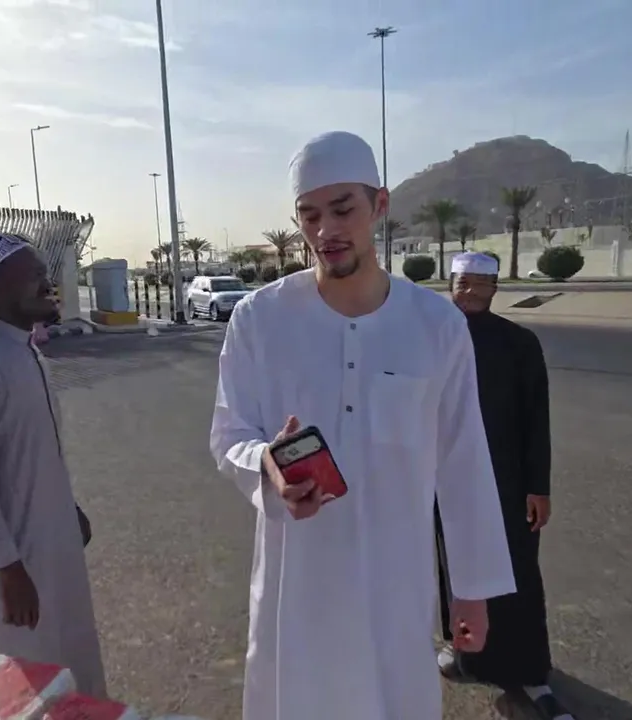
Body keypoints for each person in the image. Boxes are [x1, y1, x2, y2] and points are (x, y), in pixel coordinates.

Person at [209, 131, 516, 720]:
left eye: (343, 208)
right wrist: (266, 466)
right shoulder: (259, 320)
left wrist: (472, 589)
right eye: (310, 215)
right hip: (297, 585)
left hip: (395, 586)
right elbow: (229, 435)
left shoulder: (436, 325)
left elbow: (463, 462)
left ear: (379, 205)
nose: (326, 229)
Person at [0, 232, 106, 698]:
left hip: (53, 543)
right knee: (29, 683)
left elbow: (35, 452)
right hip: (14, 564)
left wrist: (67, 509)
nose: (46, 284)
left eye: (44, 273)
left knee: (73, 663)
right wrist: (8, 570)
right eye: (33, 275)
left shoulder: (26, 353)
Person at [434, 251, 570, 720]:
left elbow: (536, 419)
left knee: (516, 571)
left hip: (507, 480)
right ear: (450, 285)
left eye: (480, 283)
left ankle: (528, 668)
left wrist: (538, 487)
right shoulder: (432, 339)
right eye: (462, 282)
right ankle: (467, 655)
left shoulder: (519, 343)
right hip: (446, 479)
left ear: (495, 288)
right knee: (455, 569)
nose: (470, 291)